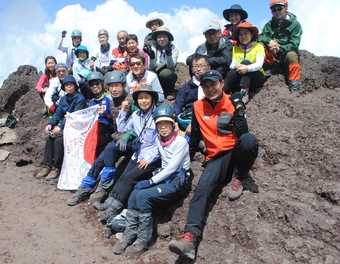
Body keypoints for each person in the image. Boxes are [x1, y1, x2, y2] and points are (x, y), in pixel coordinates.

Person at [168, 70, 259, 260]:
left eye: (213, 84)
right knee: (201, 190)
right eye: (206, 86)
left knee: (250, 141)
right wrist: (185, 163)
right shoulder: (198, 107)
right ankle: (189, 238)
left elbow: (243, 134)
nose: (210, 89)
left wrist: (239, 110)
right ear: (201, 88)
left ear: (222, 83)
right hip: (216, 158)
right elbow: (194, 138)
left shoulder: (232, 101)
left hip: (235, 150)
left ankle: (239, 176)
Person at [112, 104, 191, 256]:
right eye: (159, 124)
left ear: (173, 123)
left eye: (166, 123)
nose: (162, 127)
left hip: (177, 181)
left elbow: (171, 168)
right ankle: (129, 234)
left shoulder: (180, 143)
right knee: (134, 194)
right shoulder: (160, 141)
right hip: (165, 178)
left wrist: (151, 181)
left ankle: (144, 239)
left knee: (142, 197)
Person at [67, 71, 134, 206]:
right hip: (118, 138)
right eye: (111, 86)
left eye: (117, 86)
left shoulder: (131, 100)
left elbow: (139, 124)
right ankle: (84, 189)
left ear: (124, 85)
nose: (114, 89)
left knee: (109, 149)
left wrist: (126, 137)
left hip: (131, 140)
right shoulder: (112, 102)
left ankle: (104, 187)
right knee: (98, 162)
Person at [94, 86, 161, 221]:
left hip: (151, 158)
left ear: (152, 99)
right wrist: (123, 111)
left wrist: (150, 158)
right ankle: (109, 202)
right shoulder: (136, 115)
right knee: (124, 176)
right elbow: (122, 128)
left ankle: (114, 209)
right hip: (138, 154)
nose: (143, 101)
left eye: (146, 98)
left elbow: (161, 142)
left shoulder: (157, 116)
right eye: (140, 98)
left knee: (130, 178)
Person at [36, 75, 87, 181]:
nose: (69, 87)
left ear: (75, 86)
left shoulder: (80, 99)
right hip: (65, 126)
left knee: (59, 141)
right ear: (64, 87)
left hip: (75, 127)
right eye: (66, 85)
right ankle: (47, 166)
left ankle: (56, 167)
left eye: (71, 85)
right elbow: (58, 114)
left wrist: (59, 126)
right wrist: (50, 124)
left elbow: (73, 116)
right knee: (49, 139)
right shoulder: (63, 99)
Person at [257, 0, 303, 96]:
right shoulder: (269, 25)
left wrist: (280, 48)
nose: (277, 11)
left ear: (286, 8)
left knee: (292, 56)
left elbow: (294, 44)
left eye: (279, 8)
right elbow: (260, 37)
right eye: (274, 9)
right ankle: (272, 65)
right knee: (260, 44)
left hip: (285, 52)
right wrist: (270, 41)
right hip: (273, 53)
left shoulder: (295, 25)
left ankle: (294, 85)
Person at [223, 22, 266, 104]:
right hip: (240, 76)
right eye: (240, 34)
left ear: (252, 34)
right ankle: (224, 93)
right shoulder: (235, 49)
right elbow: (232, 64)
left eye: (246, 33)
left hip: (256, 77)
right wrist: (236, 66)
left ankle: (244, 92)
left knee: (245, 62)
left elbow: (259, 64)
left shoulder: (258, 47)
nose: (243, 37)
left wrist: (247, 68)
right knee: (231, 72)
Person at [174, 53, 210, 135]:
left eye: (202, 66)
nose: (199, 69)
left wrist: (196, 123)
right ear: (192, 69)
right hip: (189, 118)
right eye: (196, 66)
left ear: (208, 67)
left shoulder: (213, 86)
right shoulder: (186, 88)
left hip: (208, 117)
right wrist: (175, 122)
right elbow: (177, 106)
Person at [147, 26, 179, 100]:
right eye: (159, 36)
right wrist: (151, 58)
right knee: (150, 73)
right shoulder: (153, 48)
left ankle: (169, 91)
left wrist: (169, 55)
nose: (162, 39)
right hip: (156, 72)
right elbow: (151, 68)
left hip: (168, 73)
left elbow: (171, 66)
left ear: (168, 38)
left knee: (165, 73)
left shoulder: (174, 49)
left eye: (164, 36)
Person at [87, 71, 113, 151]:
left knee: (89, 142)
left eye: (97, 83)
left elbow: (114, 120)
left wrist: (105, 114)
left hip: (106, 131)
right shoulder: (91, 102)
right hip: (94, 131)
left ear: (101, 84)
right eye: (92, 84)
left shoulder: (109, 99)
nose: (94, 86)